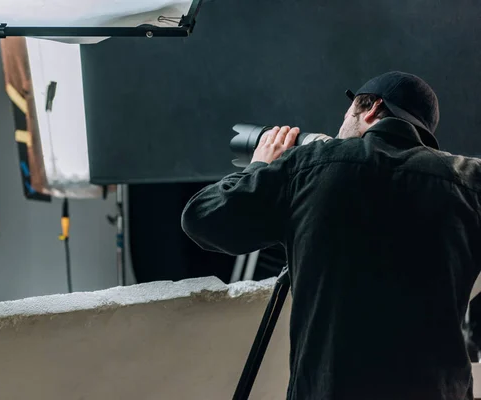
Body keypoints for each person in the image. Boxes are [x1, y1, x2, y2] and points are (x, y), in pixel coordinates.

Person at [181, 71, 481, 400]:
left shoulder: (310, 165)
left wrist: (261, 167)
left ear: (370, 109)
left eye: (345, 118)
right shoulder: (469, 180)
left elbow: (202, 217)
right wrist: (472, 336)